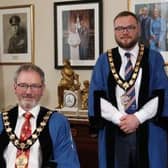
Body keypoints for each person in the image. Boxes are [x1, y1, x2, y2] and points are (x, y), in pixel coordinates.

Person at [88, 11, 168, 168]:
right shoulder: (104, 61)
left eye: (130, 27)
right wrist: (120, 119)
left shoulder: (153, 58)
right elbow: (96, 97)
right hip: (115, 130)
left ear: (138, 29)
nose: (125, 32)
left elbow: (162, 94)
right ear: (115, 31)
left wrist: (137, 118)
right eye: (120, 28)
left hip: (148, 130)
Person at [0, 64, 80, 168]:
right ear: (15, 88)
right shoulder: (2, 121)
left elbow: (68, 163)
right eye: (23, 85)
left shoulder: (58, 122)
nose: (28, 92)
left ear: (42, 89)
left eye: (34, 86)